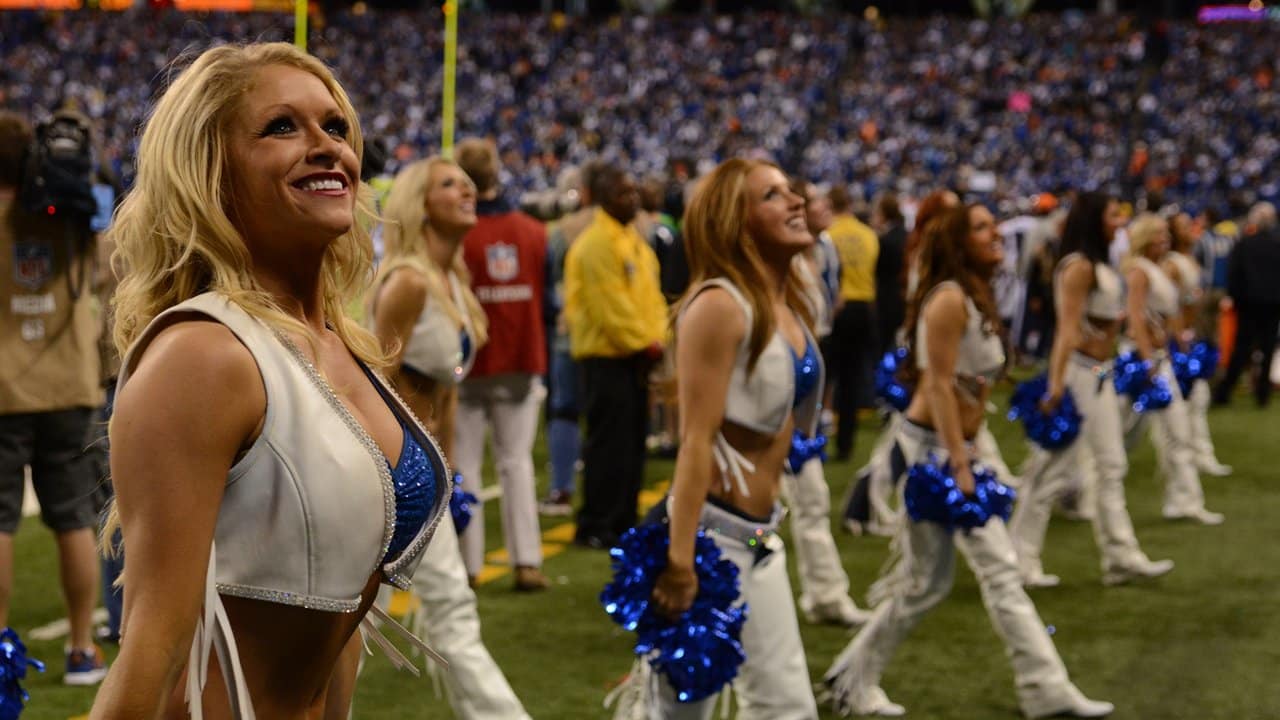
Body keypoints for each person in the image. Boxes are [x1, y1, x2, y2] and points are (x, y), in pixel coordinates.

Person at [91, 43, 452, 716]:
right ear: (212, 170)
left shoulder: (339, 343)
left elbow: (345, 614)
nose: (326, 147)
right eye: (282, 127)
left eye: (335, 126)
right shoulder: (204, 355)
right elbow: (151, 647)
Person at [822, 205, 1113, 720]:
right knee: (992, 573)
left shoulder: (974, 295)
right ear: (958, 242)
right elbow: (935, 384)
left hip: (957, 446)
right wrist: (960, 463)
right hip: (936, 451)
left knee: (927, 586)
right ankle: (1044, 687)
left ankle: (851, 678)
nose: (995, 232)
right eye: (980, 228)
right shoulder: (949, 299)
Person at [649, 158, 820, 718]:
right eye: (773, 195)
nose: (795, 200)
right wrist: (680, 562)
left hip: (759, 539)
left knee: (787, 706)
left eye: (791, 190)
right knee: (680, 710)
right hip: (710, 541)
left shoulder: (790, 304)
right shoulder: (718, 305)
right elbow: (696, 440)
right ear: (737, 221)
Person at [367, 155, 529, 717]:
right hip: (391, 473)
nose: (466, 189)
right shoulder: (407, 282)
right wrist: (404, 478)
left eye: (467, 183)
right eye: (448, 184)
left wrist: (451, 474)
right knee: (359, 623)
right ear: (421, 203)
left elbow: (449, 393)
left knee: (359, 624)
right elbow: (374, 385)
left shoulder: (450, 281)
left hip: (424, 470)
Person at [1009, 192, 1174, 589]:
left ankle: (1121, 557)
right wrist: (1054, 383)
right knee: (1050, 471)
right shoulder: (1077, 266)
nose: (1120, 221)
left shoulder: (1101, 262)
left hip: (1102, 371)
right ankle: (1019, 561)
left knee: (1111, 464)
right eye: (1113, 214)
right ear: (1094, 219)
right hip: (1079, 374)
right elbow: (1066, 328)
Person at [0, 110, 108, 685]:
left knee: (0, 523)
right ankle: (82, 649)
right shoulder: (71, 218)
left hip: (2, 391)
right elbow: (113, 268)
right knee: (73, 521)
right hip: (68, 388)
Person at [452, 137, 549, 592]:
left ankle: (469, 568)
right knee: (516, 463)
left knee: (466, 465)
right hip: (520, 360)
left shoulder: (453, 234)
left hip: (468, 363)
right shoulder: (534, 231)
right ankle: (527, 562)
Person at [564, 165, 668, 549]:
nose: (634, 200)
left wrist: (657, 338)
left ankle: (623, 518)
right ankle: (595, 522)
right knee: (607, 445)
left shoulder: (633, 239)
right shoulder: (596, 244)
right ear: (604, 198)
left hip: (636, 357)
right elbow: (610, 307)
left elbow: (652, 298)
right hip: (607, 358)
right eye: (625, 194)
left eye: (635, 193)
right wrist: (645, 342)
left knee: (633, 444)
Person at [787, 178, 869, 628]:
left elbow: (826, 308)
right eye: (811, 201)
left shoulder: (825, 250)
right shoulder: (771, 262)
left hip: (806, 376)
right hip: (780, 388)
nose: (820, 208)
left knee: (810, 496)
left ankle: (825, 593)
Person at [1119, 214, 1224, 525]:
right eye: (1159, 234)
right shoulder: (1140, 270)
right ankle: (1077, 486)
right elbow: (1135, 317)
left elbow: (1171, 311)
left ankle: (1184, 501)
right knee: (1121, 432)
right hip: (1141, 360)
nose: (1164, 239)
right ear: (1145, 237)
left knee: (1175, 428)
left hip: (1159, 358)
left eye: (1167, 233)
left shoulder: (1161, 267)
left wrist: (1174, 343)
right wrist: (1148, 359)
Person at [539, 163, 597, 516]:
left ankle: (562, 488)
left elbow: (549, 281)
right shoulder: (623, 229)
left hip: (568, 329)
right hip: (608, 332)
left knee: (564, 409)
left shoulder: (559, 232)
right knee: (603, 415)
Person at [1164, 212, 1231, 476]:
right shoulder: (1171, 263)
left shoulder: (1191, 259)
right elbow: (1170, 306)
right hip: (1176, 343)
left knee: (1198, 398)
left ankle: (1202, 455)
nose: (1190, 229)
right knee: (1138, 415)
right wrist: (1180, 336)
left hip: (1193, 337)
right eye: (1182, 226)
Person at [827, 185, 880, 460]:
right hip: (863, 308)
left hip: (837, 309)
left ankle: (813, 438)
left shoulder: (828, 236)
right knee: (851, 379)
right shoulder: (869, 235)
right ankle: (845, 444)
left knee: (825, 377)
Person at [1213, 202, 1280, 407]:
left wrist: (1237, 299)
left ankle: (1225, 391)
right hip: (1273, 305)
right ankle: (1262, 395)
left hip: (1248, 305)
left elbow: (1234, 276)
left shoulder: (1244, 244)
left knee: (1241, 348)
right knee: (1268, 349)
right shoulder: (1278, 244)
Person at [873, 192, 907, 358]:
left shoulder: (886, 240)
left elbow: (877, 272)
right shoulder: (906, 235)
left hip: (887, 300)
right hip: (903, 297)